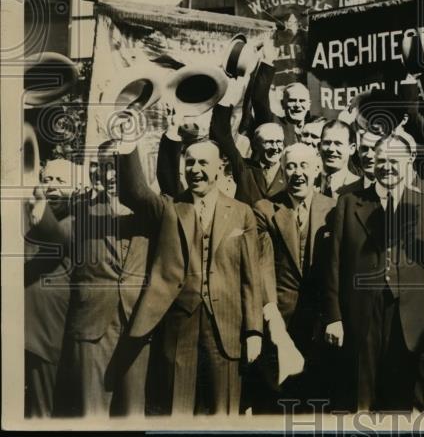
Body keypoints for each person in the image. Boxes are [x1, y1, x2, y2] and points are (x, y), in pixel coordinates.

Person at [118, 129, 264, 415]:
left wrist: (253, 330)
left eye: (203, 163)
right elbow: (135, 192)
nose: (195, 169)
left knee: (224, 412)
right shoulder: (170, 207)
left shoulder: (242, 212)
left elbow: (251, 279)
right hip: (178, 326)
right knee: (178, 409)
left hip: (226, 328)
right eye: (190, 163)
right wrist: (127, 142)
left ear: (220, 167)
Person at [323, 130, 424, 412]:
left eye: (394, 160)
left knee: (408, 403)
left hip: (413, 318)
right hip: (362, 314)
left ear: (409, 161)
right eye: (381, 160)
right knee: (362, 400)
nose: (387, 167)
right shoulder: (349, 203)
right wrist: (334, 317)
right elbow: (334, 264)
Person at [26, 148, 154, 417]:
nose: (109, 175)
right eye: (103, 167)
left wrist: (128, 147)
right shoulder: (82, 213)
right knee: (91, 413)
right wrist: (41, 213)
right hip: (92, 327)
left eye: (115, 166)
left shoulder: (150, 213)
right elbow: (59, 236)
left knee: (133, 413)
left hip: (138, 325)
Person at [253, 144, 338, 408]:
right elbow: (262, 265)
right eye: (290, 166)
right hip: (279, 321)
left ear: (317, 169)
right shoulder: (265, 209)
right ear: (282, 171)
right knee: (274, 403)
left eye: (304, 166)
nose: (297, 173)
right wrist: (271, 316)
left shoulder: (335, 209)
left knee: (317, 401)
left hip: (320, 322)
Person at [23, 159, 73, 418]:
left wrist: (40, 206)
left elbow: (57, 237)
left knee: (41, 412)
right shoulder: (28, 214)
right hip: (22, 329)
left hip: (43, 335)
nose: (52, 186)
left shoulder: (76, 220)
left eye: (60, 181)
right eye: (47, 179)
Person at [317, 118, 361, 200]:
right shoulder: (308, 184)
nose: (331, 149)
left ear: (352, 148)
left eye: (338, 144)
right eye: (327, 143)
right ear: (319, 146)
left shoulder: (360, 187)